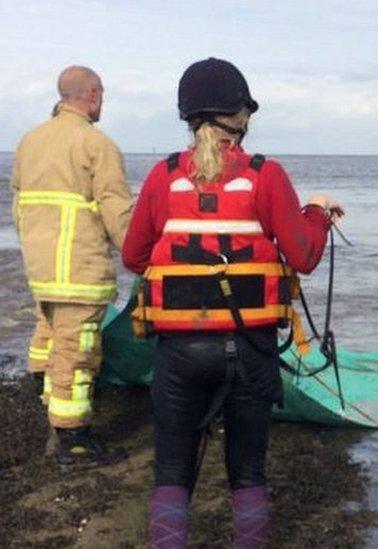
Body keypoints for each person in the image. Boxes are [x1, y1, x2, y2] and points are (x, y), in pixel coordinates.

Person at [121, 58, 340, 548]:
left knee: (172, 470)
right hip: (250, 351)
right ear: (242, 116)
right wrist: (318, 213)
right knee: (247, 473)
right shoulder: (267, 176)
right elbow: (303, 256)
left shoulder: (162, 177)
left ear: (188, 117)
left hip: (180, 356)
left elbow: (134, 256)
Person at [11, 65, 132, 466]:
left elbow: (18, 206)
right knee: (77, 353)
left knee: (48, 334)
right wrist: (141, 255)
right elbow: (117, 212)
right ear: (93, 94)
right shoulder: (97, 145)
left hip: (40, 268)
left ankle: (45, 394)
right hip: (78, 270)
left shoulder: (29, 142)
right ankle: (72, 440)